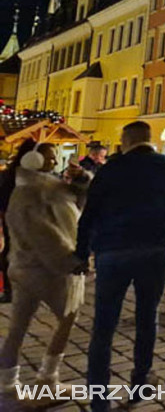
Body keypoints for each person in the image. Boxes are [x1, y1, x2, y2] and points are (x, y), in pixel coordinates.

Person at [76, 121, 165, 412]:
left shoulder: (110, 169)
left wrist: (81, 253)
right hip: (154, 248)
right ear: (149, 139)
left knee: (104, 325)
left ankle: (99, 395)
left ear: (125, 140)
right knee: (147, 316)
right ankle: (140, 380)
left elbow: (89, 214)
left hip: (112, 250)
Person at [0, 145, 90, 394]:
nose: (54, 160)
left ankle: (9, 381)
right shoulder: (31, 192)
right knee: (68, 316)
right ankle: (48, 377)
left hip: (25, 267)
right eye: (49, 156)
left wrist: (81, 180)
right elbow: (45, 237)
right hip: (42, 269)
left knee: (18, 325)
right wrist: (71, 262)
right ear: (34, 159)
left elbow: (78, 202)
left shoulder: (46, 186)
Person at [0, 139, 39, 304]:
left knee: (11, 253)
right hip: (22, 219)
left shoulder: (10, 173)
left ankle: (12, 289)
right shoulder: (26, 176)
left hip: (13, 218)